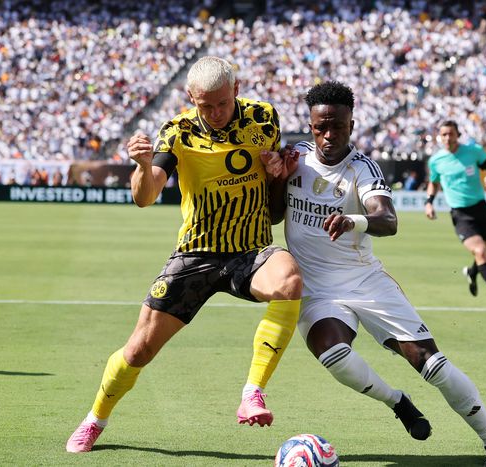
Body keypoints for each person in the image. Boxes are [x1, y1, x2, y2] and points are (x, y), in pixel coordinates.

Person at [66, 56, 303, 453]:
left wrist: (277, 171)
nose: (214, 113)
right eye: (204, 105)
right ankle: (94, 419)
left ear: (237, 91)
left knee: (290, 279)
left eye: (222, 104)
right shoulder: (177, 131)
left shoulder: (264, 119)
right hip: (196, 253)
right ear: (190, 97)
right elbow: (145, 197)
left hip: (250, 250)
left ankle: (252, 393)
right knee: (138, 349)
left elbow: (275, 203)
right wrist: (142, 166)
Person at [269, 81, 486, 467]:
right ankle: (397, 401)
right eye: (320, 127)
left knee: (431, 363)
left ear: (352, 123)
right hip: (316, 287)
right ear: (311, 124)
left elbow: (388, 219)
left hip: (364, 280)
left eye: (338, 126)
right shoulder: (294, 156)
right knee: (333, 354)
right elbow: (272, 215)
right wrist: (278, 178)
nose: (329, 135)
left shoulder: (363, 169)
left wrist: (353, 220)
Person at [425, 120, 486, 310]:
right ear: (440, 137)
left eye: (451, 133)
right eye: (444, 134)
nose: (448, 138)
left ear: (458, 134)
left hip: (481, 209)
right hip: (460, 213)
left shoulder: (473, 151)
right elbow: (434, 182)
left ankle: (472, 273)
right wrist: (429, 203)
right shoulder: (436, 161)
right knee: (480, 252)